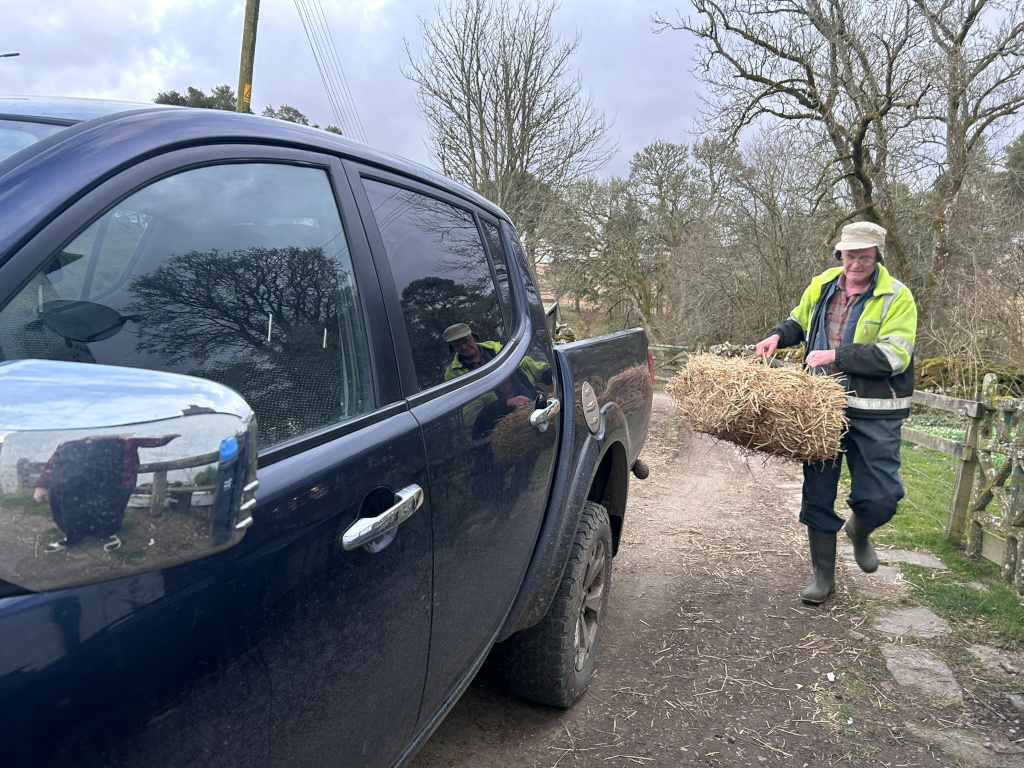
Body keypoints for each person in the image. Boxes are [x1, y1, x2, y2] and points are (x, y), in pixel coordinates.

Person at [755, 221, 918, 604]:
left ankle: (860, 530)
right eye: (849, 255)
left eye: (864, 256)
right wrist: (778, 335)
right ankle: (823, 577)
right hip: (820, 408)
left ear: (877, 255)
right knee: (817, 493)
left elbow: (895, 356)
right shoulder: (825, 284)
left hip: (874, 411)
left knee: (882, 495)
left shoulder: (897, 297)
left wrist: (837, 355)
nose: (855, 263)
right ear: (840, 254)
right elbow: (800, 320)